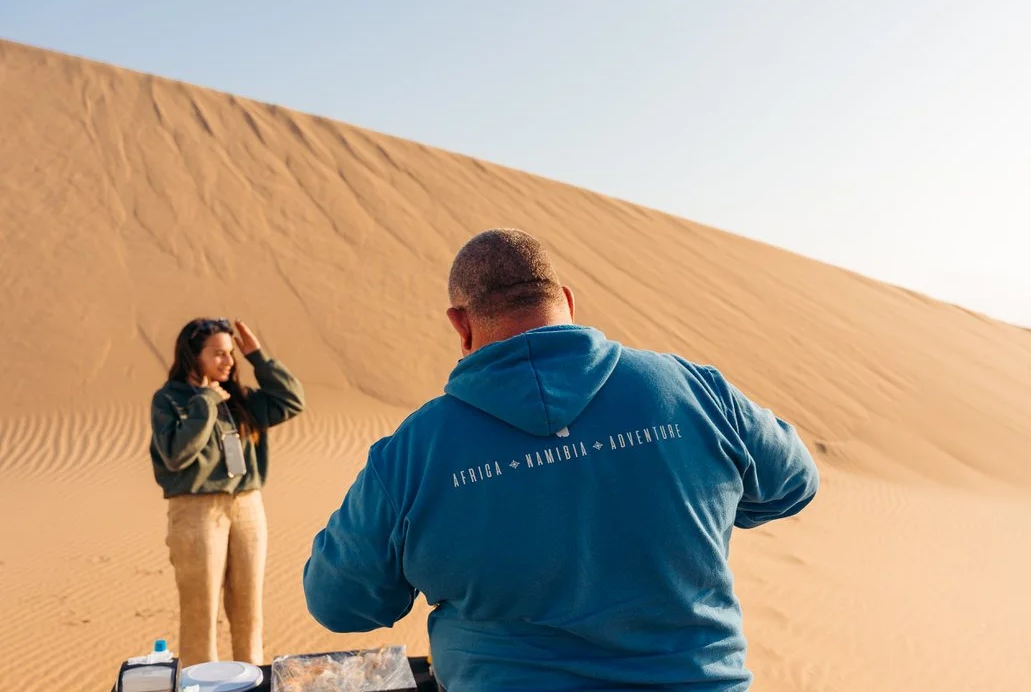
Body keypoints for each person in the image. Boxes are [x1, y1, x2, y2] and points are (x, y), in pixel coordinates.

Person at [303, 229, 819, 691]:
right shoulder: (693, 389)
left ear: (460, 324)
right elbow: (794, 481)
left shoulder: (412, 451)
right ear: (567, 302)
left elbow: (338, 601)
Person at [150, 317, 305, 666]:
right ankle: (198, 684)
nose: (228, 361)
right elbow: (177, 455)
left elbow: (292, 399)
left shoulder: (241, 398)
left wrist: (258, 356)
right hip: (197, 511)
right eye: (218, 353)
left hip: (249, 506)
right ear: (193, 355)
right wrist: (204, 402)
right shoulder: (169, 400)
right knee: (200, 613)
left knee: (250, 611)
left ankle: (250, 680)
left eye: (230, 353)